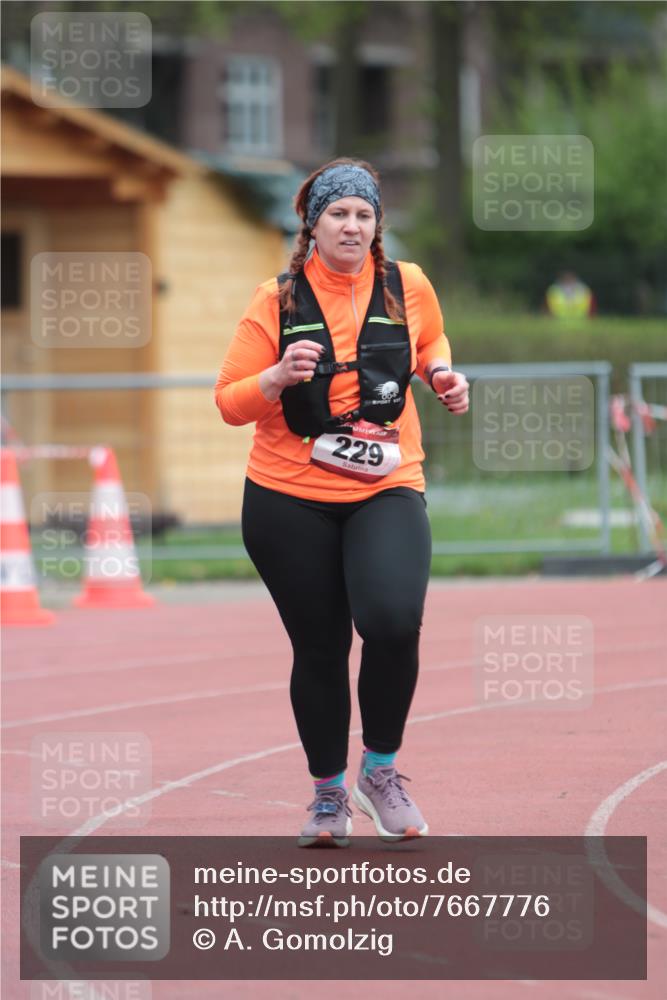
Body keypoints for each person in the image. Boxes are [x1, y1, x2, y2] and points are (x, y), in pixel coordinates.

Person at [215, 158, 469, 847]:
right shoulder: (276, 299)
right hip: (286, 493)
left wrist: (441, 373)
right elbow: (228, 401)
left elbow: (429, 343)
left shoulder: (406, 284)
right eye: (338, 214)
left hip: (384, 482)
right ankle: (327, 794)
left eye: (363, 214)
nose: (351, 225)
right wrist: (271, 377)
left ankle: (379, 771)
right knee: (321, 648)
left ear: (376, 225)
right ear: (313, 225)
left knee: (390, 620)